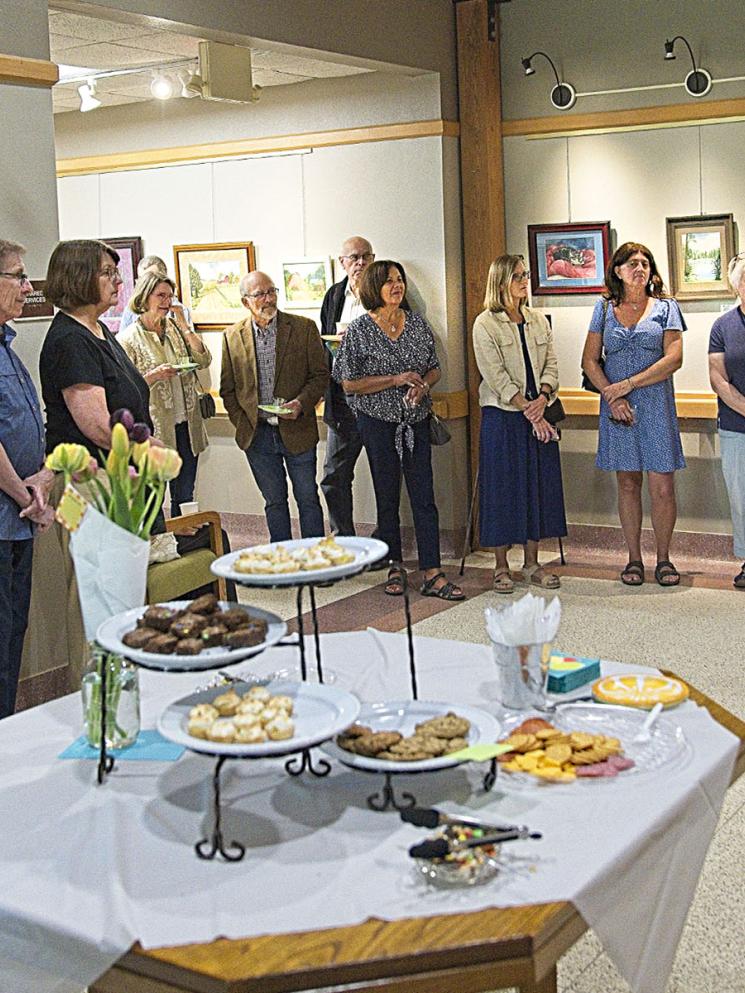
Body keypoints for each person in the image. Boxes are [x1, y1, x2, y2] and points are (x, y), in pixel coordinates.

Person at [333, 260, 464, 601]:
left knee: (424, 497)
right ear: (374, 287)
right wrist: (394, 379)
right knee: (387, 497)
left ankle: (432, 571)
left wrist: (422, 386)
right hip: (376, 425)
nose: (396, 286)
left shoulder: (417, 325)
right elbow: (348, 383)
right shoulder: (360, 329)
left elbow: (433, 368)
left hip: (415, 421)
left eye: (400, 280)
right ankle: (394, 565)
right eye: (389, 281)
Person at [581, 242, 685, 587]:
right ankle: (634, 559)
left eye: (644, 263)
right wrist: (613, 397)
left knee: (663, 486)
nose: (638, 268)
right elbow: (590, 361)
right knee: (627, 484)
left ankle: (665, 559)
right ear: (618, 271)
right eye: (631, 263)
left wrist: (627, 384)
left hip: (655, 404)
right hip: (617, 409)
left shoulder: (666, 308)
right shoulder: (604, 308)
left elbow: (673, 359)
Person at [472, 255, 566, 593]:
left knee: (537, 486)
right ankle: (501, 566)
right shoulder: (485, 324)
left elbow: (552, 365)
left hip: (538, 410)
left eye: (525, 275)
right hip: (504, 418)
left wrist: (542, 399)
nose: (524, 281)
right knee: (503, 489)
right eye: (517, 276)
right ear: (500, 283)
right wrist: (527, 408)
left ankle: (532, 563)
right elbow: (494, 374)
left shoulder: (538, 320)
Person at [220, 271, 329, 542]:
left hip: (298, 429)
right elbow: (228, 389)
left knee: (307, 498)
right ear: (246, 302)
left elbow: (320, 376)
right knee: (274, 502)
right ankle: (282, 557)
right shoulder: (232, 336)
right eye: (260, 294)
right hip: (258, 435)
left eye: (272, 291)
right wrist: (243, 422)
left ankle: (315, 558)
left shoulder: (303, 328)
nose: (268, 299)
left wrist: (302, 404)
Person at [0, 239, 55, 718]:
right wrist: (29, 494)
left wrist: (39, 482)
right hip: (8, 513)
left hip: (17, 515)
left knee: (13, 633)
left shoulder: (8, 348)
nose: (27, 286)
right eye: (17, 276)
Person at [119, 272, 211, 516]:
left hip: (187, 427)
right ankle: (161, 546)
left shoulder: (175, 330)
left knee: (185, 493)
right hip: (157, 431)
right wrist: (154, 376)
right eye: (161, 295)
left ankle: (185, 542)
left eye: (170, 296)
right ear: (144, 298)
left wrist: (184, 326)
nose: (167, 302)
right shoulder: (128, 339)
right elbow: (125, 388)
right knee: (154, 496)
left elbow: (203, 359)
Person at [319, 236, 375, 535]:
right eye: (354, 257)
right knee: (333, 476)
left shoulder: (386, 292)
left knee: (386, 477)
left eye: (366, 256)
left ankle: (386, 546)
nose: (360, 263)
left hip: (380, 399)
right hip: (341, 401)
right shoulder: (334, 295)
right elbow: (323, 337)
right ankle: (345, 541)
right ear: (342, 262)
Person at [708, 252, 745, 589]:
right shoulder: (723, 326)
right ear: (737, 286)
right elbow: (718, 378)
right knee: (742, 496)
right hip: (736, 427)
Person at [119, 254, 192, 334]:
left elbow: (189, 343)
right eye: (142, 279)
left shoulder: (180, 311)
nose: (146, 284)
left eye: (153, 278)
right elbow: (120, 344)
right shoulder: (130, 311)